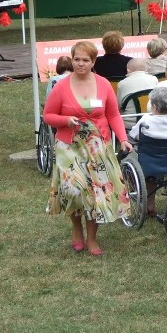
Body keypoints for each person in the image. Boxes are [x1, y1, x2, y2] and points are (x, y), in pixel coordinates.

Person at [44, 40, 131, 256]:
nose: (80, 64)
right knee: (74, 191)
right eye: (76, 59)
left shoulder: (103, 84)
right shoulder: (61, 86)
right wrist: (66, 121)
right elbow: (48, 116)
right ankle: (76, 228)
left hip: (97, 145)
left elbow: (113, 114)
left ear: (93, 62)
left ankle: (92, 238)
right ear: (71, 60)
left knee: (95, 194)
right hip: (69, 146)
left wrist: (123, 138)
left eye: (85, 60)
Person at [129, 86, 167, 216]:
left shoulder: (146, 121)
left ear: (154, 106)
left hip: (150, 163)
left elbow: (133, 137)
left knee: (144, 167)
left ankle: (150, 205)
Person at [115, 58, 158, 129]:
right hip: (151, 120)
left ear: (128, 71)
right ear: (145, 69)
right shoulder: (154, 79)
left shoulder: (122, 84)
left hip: (130, 123)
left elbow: (118, 107)